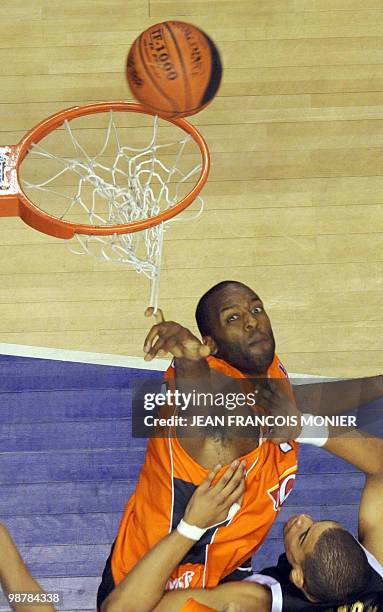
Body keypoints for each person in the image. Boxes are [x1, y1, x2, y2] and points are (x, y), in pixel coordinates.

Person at [97, 280, 383, 608]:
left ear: (300, 580)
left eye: (256, 310)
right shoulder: (235, 412)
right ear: (211, 344)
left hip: (153, 581)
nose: (252, 320)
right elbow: (220, 412)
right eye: (235, 317)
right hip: (177, 577)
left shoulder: (252, 391)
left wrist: (189, 361)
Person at [100, 386, 383, 612]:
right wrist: (303, 427)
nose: (302, 519)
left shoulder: (258, 601)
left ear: (298, 579)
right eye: (318, 522)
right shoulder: (378, 573)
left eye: (303, 534)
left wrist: (192, 526)